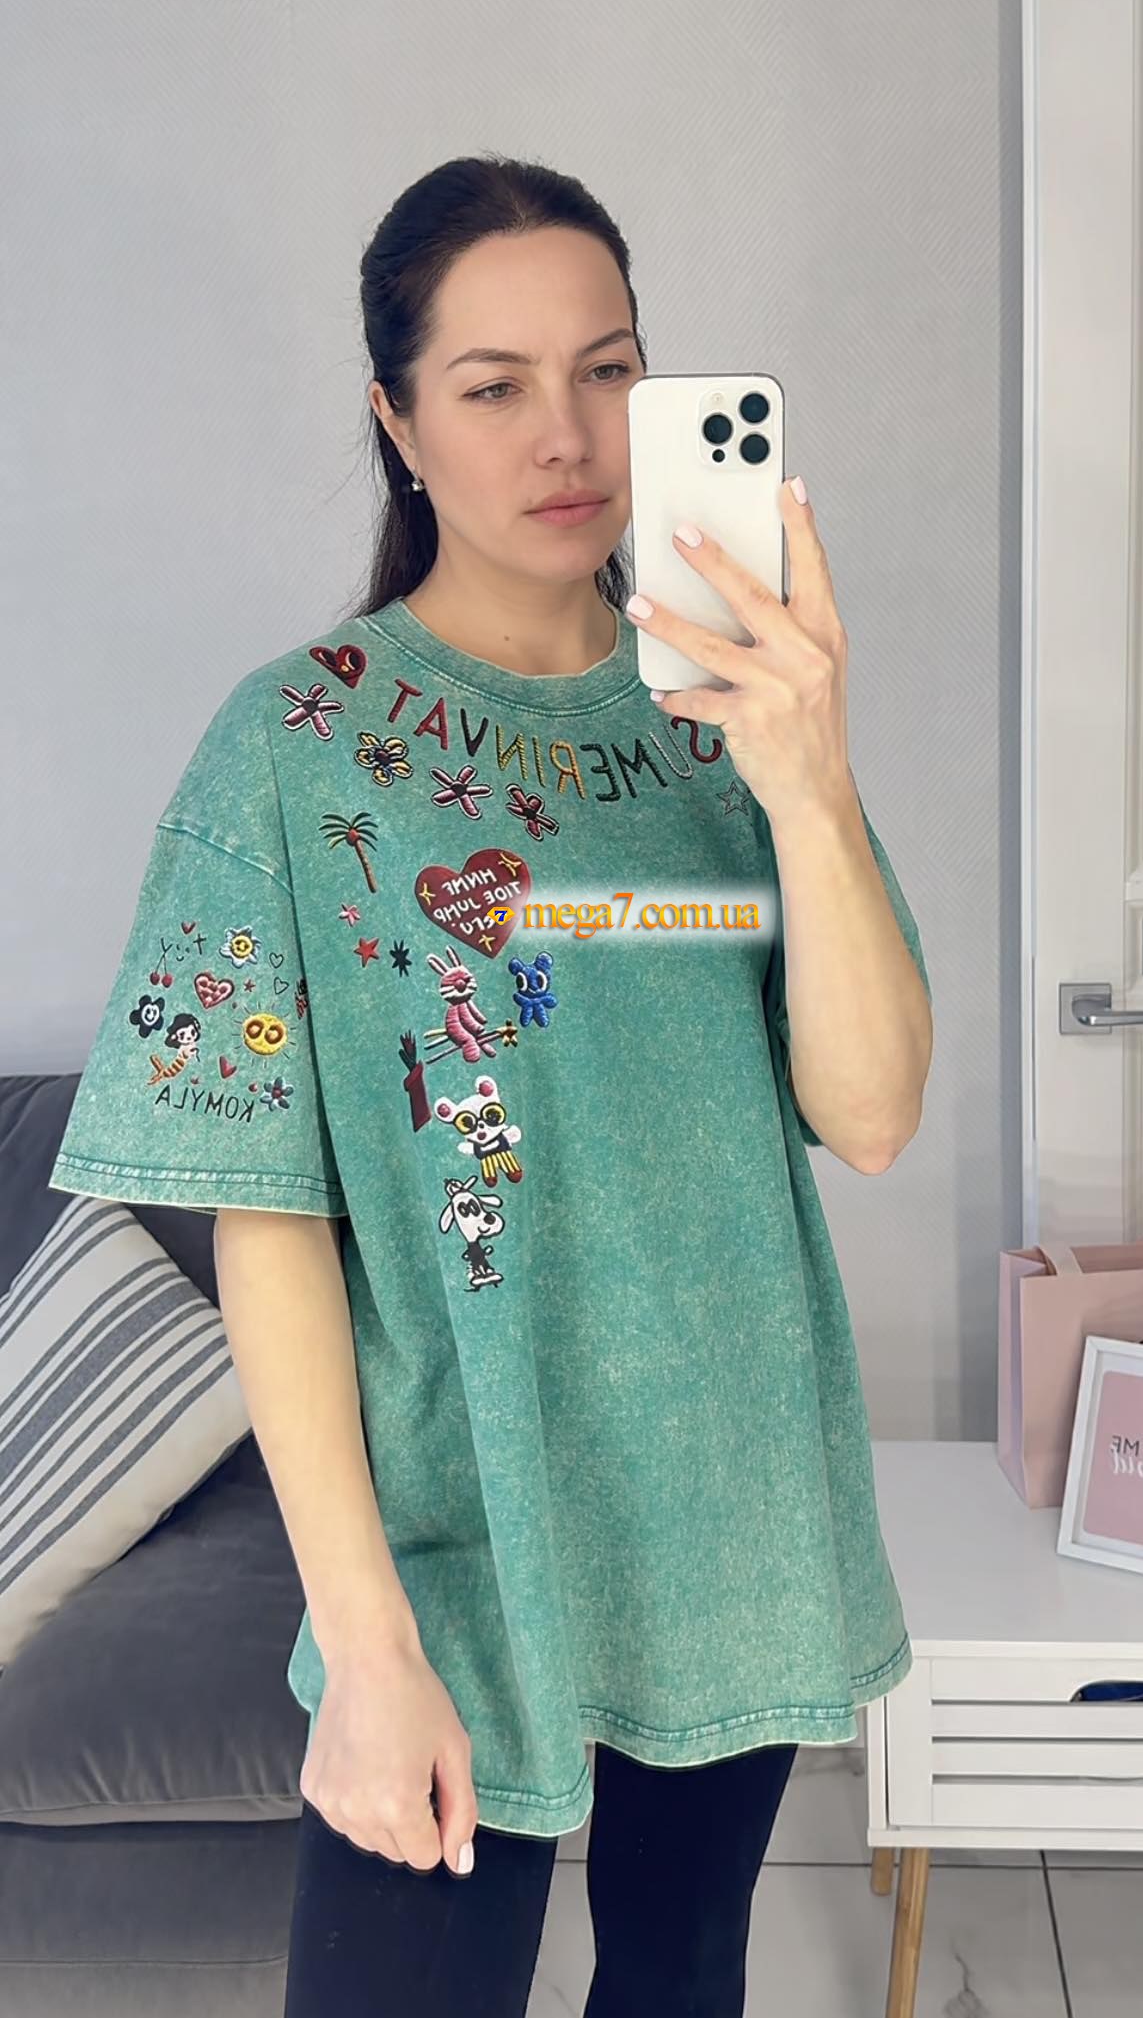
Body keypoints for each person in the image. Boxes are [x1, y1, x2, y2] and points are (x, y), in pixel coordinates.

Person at [49, 155, 934, 2015]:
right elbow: (266, 1216)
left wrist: (812, 778)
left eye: (607, 370)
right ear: (397, 421)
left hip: (731, 1507)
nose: (567, 435)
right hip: (454, 1542)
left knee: (679, 1977)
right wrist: (363, 1638)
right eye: (493, 383)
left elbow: (867, 1113)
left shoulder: (736, 720)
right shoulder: (292, 749)